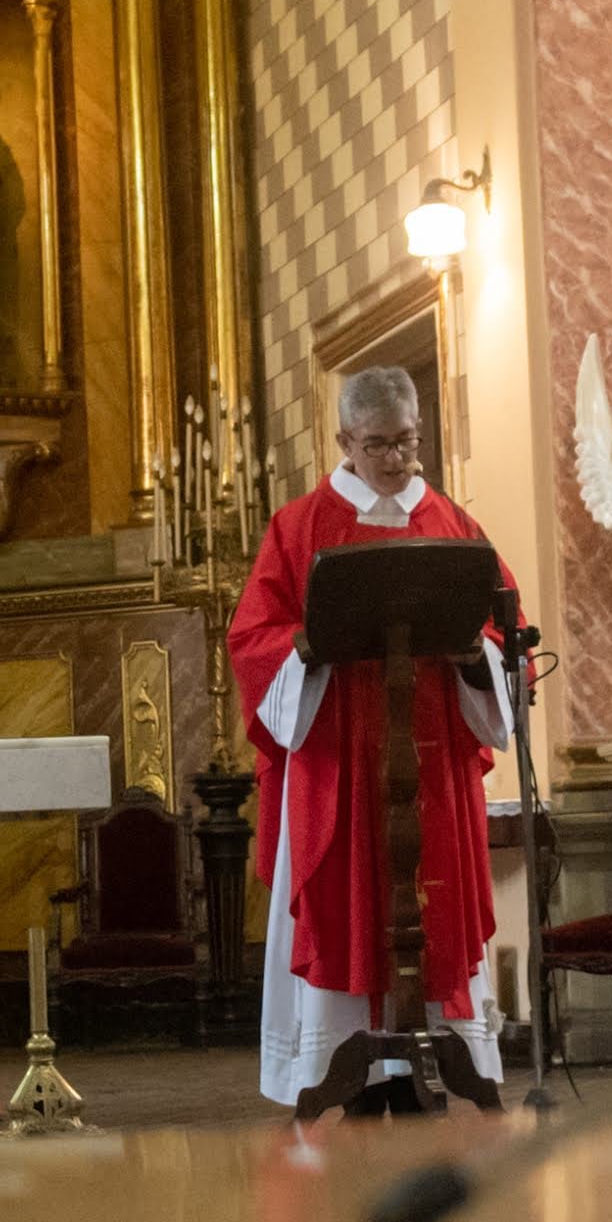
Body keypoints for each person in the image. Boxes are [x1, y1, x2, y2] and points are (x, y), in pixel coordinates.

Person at [227, 365, 520, 1113]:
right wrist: (307, 644)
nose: (395, 460)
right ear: (343, 442)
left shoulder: (452, 525)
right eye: (378, 444)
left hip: (430, 763)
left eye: (408, 442)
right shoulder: (300, 527)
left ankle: (431, 1055)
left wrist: (474, 656)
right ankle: (351, 1069)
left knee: (436, 896)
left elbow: (503, 628)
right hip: (338, 761)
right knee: (343, 896)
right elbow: (253, 639)